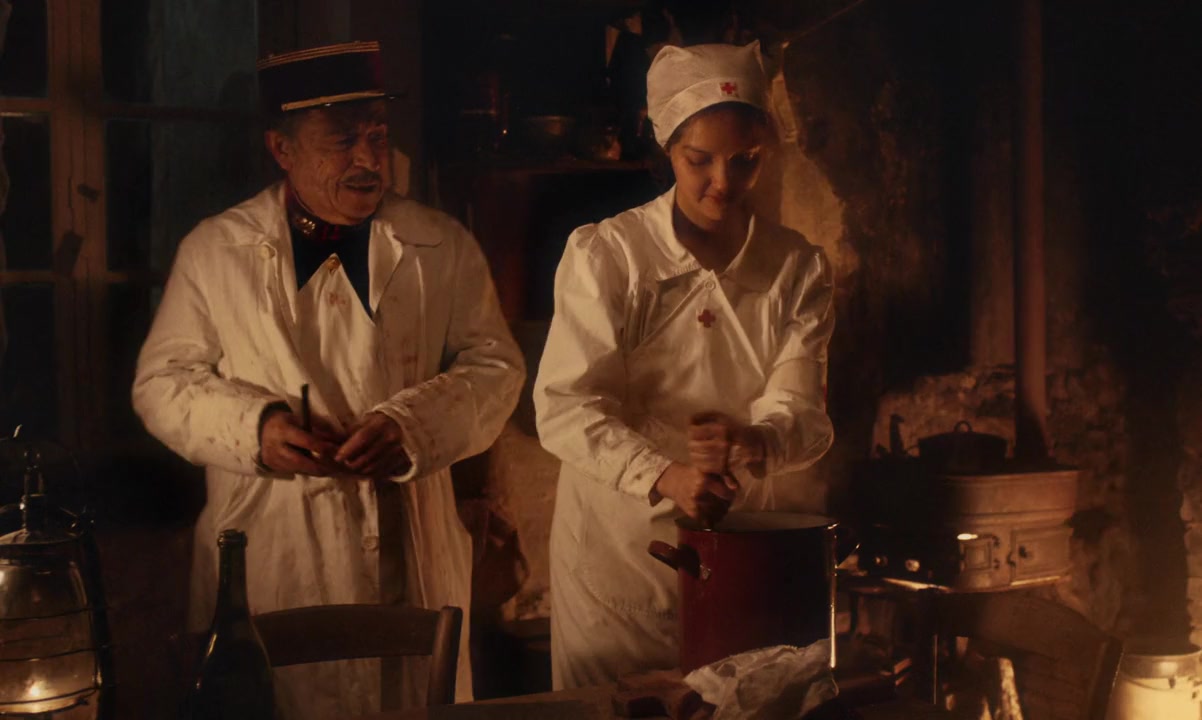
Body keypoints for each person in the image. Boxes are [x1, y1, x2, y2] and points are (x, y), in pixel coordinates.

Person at [132, 41, 524, 717]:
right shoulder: (217, 251)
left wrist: (413, 426)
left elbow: (496, 367)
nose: (369, 159)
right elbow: (161, 384)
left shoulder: (438, 244)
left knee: (410, 698)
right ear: (282, 149)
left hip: (411, 542)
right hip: (274, 544)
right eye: (343, 141)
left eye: (378, 135)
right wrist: (256, 430)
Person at [533, 41, 835, 689]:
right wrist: (666, 475)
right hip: (618, 567)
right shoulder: (609, 257)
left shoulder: (796, 268)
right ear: (666, 147)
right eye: (700, 160)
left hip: (740, 556)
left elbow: (804, 415)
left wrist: (756, 440)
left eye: (745, 160)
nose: (723, 182)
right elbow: (565, 408)